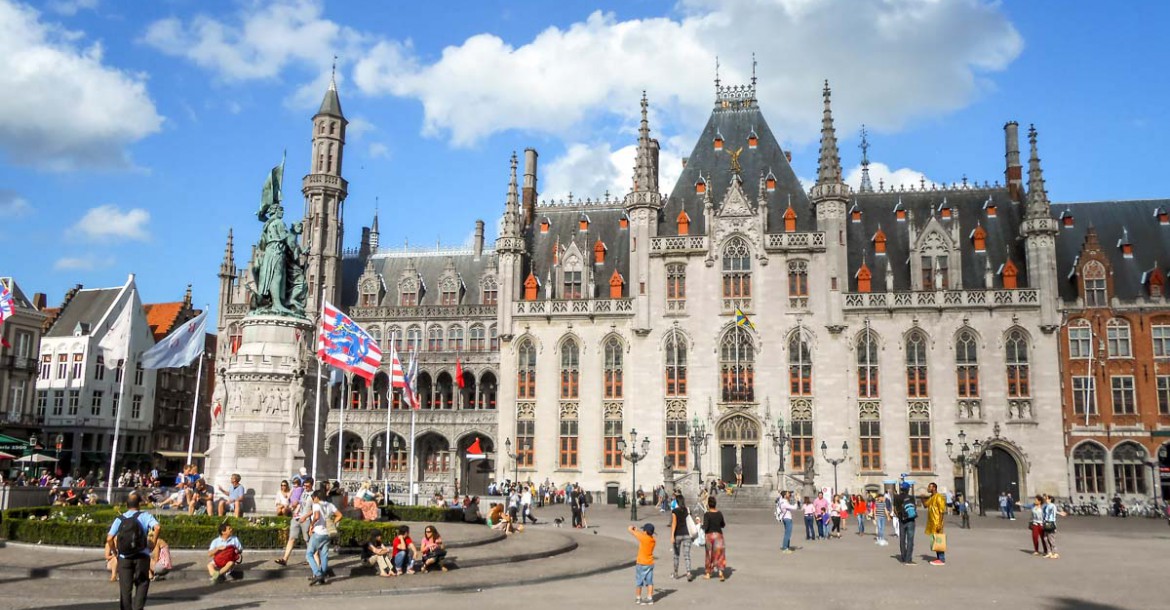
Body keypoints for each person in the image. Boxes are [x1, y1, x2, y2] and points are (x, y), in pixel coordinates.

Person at [106, 491, 159, 610]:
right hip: (142, 555)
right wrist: (153, 542)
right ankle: (138, 608)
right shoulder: (145, 516)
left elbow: (109, 538)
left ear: (126, 504)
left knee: (125, 588)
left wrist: (115, 552)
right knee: (142, 583)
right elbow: (157, 527)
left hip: (124, 557)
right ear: (139, 504)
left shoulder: (120, 518)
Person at [276, 478, 315, 566]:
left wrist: (305, 516)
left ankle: (310, 558)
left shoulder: (314, 494)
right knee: (292, 538)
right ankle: (285, 559)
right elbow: (300, 503)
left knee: (307, 540)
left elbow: (315, 509)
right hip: (297, 517)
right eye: (304, 485)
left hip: (306, 519)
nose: (305, 487)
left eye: (307, 486)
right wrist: (296, 512)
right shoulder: (303, 492)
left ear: (312, 485)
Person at [303, 490, 339, 585]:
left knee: (309, 554)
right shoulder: (330, 505)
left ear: (316, 497)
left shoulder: (316, 504)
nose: (313, 499)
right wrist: (332, 523)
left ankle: (318, 574)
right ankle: (322, 575)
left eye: (313, 498)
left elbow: (317, 516)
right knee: (324, 555)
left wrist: (312, 524)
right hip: (327, 533)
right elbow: (339, 515)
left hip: (318, 532)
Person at [630, 523, 657, 605]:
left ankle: (638, 598)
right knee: (649, 582)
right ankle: (650, 598)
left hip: (641, 563)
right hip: (650, 563)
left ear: (645, 531)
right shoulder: (653, 540)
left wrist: (633, 528)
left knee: (639, 581)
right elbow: (643, 535)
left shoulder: (643, 538)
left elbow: (630, 530)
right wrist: (638, 531)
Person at [670, 491, 694, 580]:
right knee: (687, 555)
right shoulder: (688, 510)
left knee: (676, 555)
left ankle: (676, 573)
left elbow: (674, 524)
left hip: (678, 535)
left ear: (676, 501)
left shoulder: (675, 511)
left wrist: (672, 535)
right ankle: (688, 573)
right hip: (687, 534)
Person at [701, 496, 727, 581]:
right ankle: (721, 573)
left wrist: (700, 525)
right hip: (719, 536)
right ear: (715, 504)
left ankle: (708, 573)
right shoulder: (719, 513)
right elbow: (723, 525)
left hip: (709, 536)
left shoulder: (707, 514)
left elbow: (705, 526)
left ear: (708, 505)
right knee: (720, 554)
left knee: (709, 554)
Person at [924, 482, 946, 566]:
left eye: (929, 487)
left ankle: (941, 559)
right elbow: (925, 505)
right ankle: (938, 558)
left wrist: (940, 523)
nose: (928, 488)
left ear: (934, 488)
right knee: (935, 541)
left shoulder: (939, 497)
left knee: (939, 540)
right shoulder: (931, 497)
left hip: (937, 522)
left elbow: (942, 511)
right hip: (932, 523)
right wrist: (922, 498)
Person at [893, 482, 916, 565]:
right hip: (910, 520)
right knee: (910, 540)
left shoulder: (896, 497)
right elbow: (914, 508)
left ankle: (903, 557)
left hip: (901, 520)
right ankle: (908, 559)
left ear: (901, 489)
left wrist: (899, 516)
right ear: (908, 489)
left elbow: (894, 509)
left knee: (902, 539)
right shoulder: (911, 497)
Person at [1041, 494, 1066, 559]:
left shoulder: (1052, 506)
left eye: (1047, 498)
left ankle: (1055, 553)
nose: (1046, 499)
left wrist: (1060, 513)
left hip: (1050, 523)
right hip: (1046, 523)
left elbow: (1053, 513)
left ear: (1050, 499)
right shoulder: (1047, 506)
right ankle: (1049, 552)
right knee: (1045, 538)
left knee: (1051, 539)